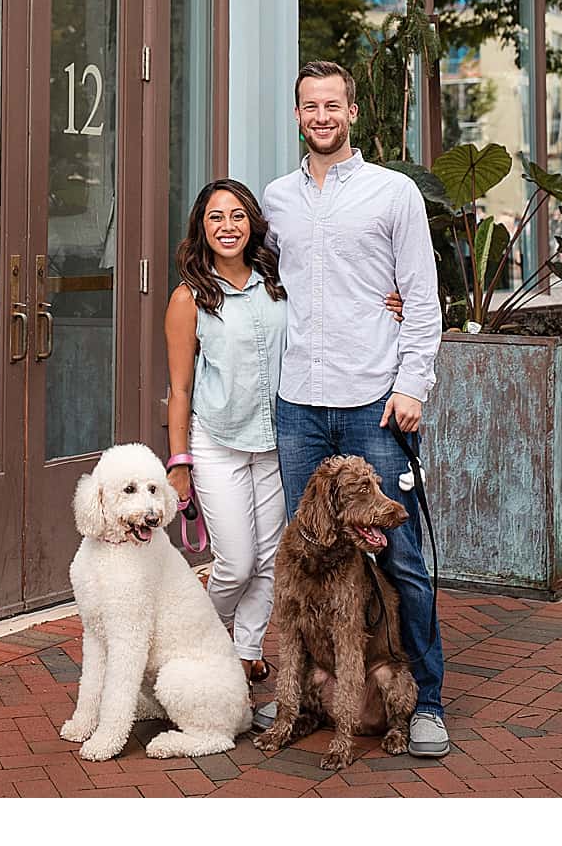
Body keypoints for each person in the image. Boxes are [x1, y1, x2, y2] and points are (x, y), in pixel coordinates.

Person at [262, 60, 449, 759]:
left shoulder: (392, 193)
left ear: (352, 112)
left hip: (374, 403)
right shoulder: (276, 199)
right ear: (297, 113)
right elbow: (255, 278)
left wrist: (412, 386)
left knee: (399, 560)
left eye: (332, 105)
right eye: (310, 105)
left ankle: (424, 700)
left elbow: (421, 297)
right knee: (306, 561)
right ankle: (307, 698)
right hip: (298, 410)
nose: (322, 116)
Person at [164, 180, 402, 690]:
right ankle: (197, 639)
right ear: (200, 229)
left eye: (236, 216)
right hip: (219, 441)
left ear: (252, 224)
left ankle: (246, 652)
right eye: (214, 218)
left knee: (272, 560)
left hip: (277, 440)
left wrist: (391, 302)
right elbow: (180, 389)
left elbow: (332, 301)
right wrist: (178, 460)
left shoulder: (279, 282)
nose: (226, 227)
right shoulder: (189, 298)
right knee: (235, 562)